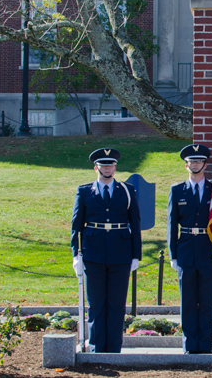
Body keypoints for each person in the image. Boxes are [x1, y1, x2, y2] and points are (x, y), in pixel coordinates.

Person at [71, 148, 142, 353]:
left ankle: (113, 349)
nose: (107, 168)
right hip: (93, 254)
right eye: (103, 165)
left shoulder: (126, 190)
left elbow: (135, 224)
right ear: (96, 168)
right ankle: (95, 348)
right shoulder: (84, 191)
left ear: (115, 167)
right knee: (96, 304)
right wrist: (76, 255)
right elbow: (76, 226)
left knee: (117, 304)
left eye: (111, 165)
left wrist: (135, 254)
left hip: (120, 253)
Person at [168, 144, 212, 354]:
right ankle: (189, 347)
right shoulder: (177, 190)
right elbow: (172, 225)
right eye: (191, 161)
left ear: (205, 164)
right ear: (186, 165)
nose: (195, 165)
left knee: (207, 301)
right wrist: (173, 255)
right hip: (186, 251)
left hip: (208, 251)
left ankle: (205, 346)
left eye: (199, 161)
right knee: (188, 302)